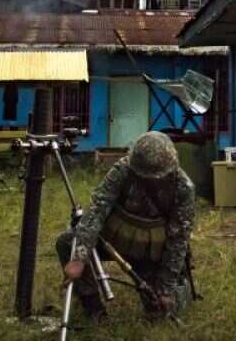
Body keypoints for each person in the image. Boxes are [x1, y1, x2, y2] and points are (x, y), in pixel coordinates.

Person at [59, 131, 196, 322]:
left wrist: (166, 288)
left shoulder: (183, 188)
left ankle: (181, 289)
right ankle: (93, 309)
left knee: (161, 312)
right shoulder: (123, 170)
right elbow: (97, 210)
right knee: (67, 242)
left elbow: (178, 240)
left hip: (150, 253)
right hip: (112, 242)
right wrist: (79, 258)